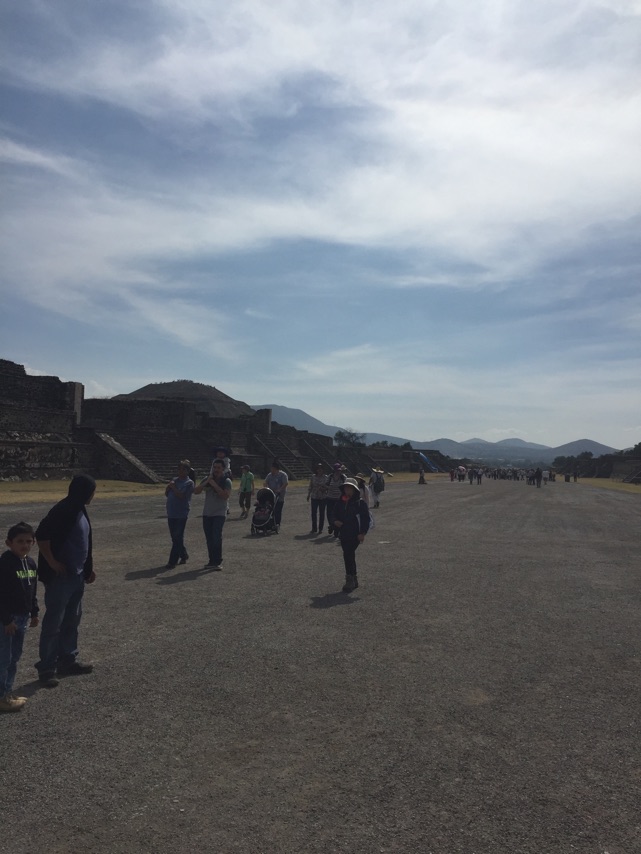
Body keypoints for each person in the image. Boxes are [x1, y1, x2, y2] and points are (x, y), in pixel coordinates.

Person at [35, 474, 97, 688]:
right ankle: (46, 668)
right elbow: (41, 535)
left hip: (76, 575)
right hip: (60, 577)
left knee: (72, 619)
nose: (93, 495)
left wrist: (88, 568)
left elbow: (84, 541)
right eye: (92, 491)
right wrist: (52, 562)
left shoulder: (79, 508)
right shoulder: (63, 509)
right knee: (54, 622)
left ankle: (67, 660)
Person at [0, 522, 39, 712]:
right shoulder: (5, 564)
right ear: (9, 543)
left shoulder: (30, 563)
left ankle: (8, 691)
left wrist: (34, 612)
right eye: (20, 541)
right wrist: (6, 620)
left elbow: (32, 591)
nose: (25, 545)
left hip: (23, 617)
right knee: (4, 658)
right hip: (7, 620)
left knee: (14, 657)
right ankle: (1, 697)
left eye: (28, 541)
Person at [333, 478, 370, 593]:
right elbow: (333, 514)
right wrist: (335, 521)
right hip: (344, 533)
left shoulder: (360, 503)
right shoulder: (340, 502)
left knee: (348, 554)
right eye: (346, 488)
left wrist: (362, 533)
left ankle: (350, 579)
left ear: (354, 490)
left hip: (355, 534)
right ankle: (353, 578)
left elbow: (365, 519)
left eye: (349, 488)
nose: (347, 490)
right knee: (349, 554)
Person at [194, 459, 231, 569]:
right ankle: (211, 560)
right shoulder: (207, 479)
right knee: (209, 538)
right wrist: (207, 482)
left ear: (223, 469)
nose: (216, 470)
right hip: (207, 513)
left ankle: (217, 561)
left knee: (216, 537)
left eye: (218, 468)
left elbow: (225, 496)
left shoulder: (226, 480)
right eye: (214, 467)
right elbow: (196, 491)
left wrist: (214, 485)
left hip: (219, 513)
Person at [165, 460, 194, 568]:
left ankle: (172, 561)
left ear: (188, 471)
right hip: (171, 512)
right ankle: (183, 554)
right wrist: (169, 487)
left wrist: (173, 487)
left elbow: (182, 496)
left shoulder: (189, 483)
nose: (181, 471)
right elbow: (167, 494)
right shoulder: (174, 480)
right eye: (179, 469)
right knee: (175, 537)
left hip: (181, 513)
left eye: (183, 469)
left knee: (177, 536)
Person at [264, 461, 288, 528]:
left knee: (277, 510)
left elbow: (285, 483)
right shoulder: (269, 475)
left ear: (276, 469)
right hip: (271, 495)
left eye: (272, 468)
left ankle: (277, 523)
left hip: (279, 496)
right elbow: (265, 482)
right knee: (270, 509)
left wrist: (279, 489)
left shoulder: (283, 475)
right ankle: (269, 523)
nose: (271, 470)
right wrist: (266, 487)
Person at [306, 463, 328, 534]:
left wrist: (323, 489)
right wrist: (308, 495)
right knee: (313, 513)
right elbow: (310, 486)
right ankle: (314, 528)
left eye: (321, 469)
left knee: (322, 513)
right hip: (314, 496)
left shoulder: (326, 477)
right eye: (318, 468)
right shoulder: (313, 477)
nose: (319, 470)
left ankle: (320, 528)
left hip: (323, 497)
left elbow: (328, 487)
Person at [325, 463, 346, 536]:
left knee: (338, 515)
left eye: (339, 470)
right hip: (330, 498)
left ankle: (336, 530)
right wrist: (328, 488)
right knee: (329, 514)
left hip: (339, 499)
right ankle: (332, 525)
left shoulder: (343, 477)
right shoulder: (330, 477)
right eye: (337, 470)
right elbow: (325, 485)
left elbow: (346, 486)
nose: (338, 472)